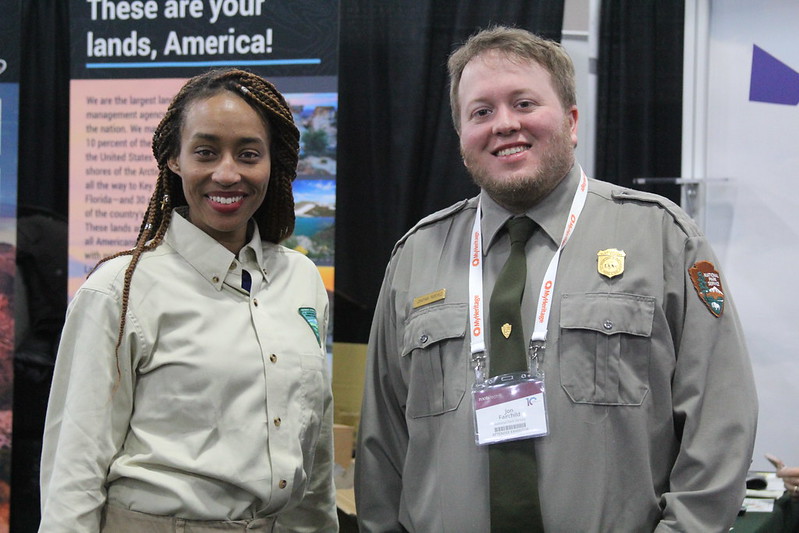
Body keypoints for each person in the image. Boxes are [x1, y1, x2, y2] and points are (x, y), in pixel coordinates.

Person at [354, 26, 758, 532]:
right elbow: (381, 447)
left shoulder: (663, 239)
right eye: (481, 112)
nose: (504, 124)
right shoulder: (416, 257)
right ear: (461, 136)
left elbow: (720, 422)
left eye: (524, 103)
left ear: (570, 121)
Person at [39, 68, 337, 532]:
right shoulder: (119, 289)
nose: (227, 173)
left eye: (248, 154)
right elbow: (73, 470)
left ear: (271, 163)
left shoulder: (301, 279)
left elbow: (312, 446)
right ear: (174, 160)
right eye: (205, 151)